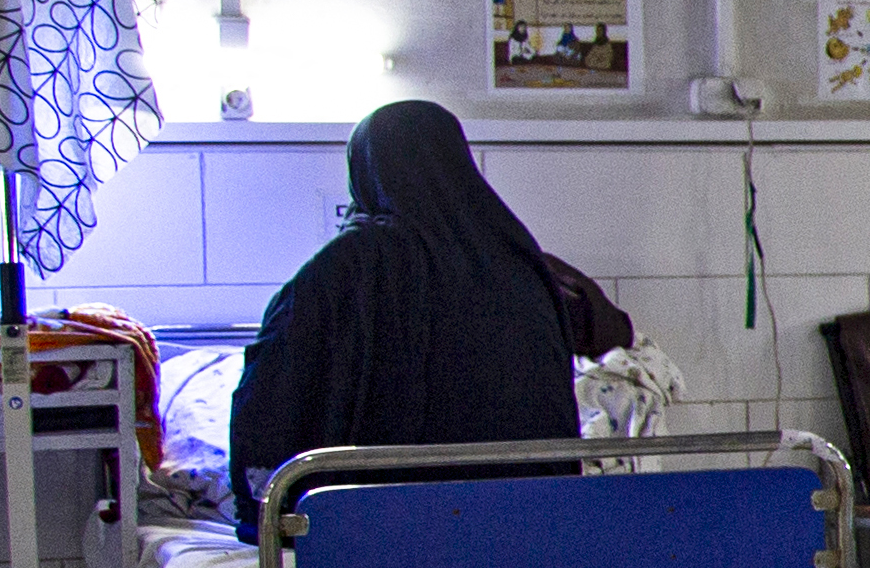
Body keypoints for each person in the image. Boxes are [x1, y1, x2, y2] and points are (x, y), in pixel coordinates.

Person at [228, 100, 625, 519]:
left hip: (387, 522)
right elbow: (608, 332)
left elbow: (272, 389)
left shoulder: (345, 267)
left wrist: (260, 507)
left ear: (365, 172)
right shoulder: (521, 264)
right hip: (530, 516)